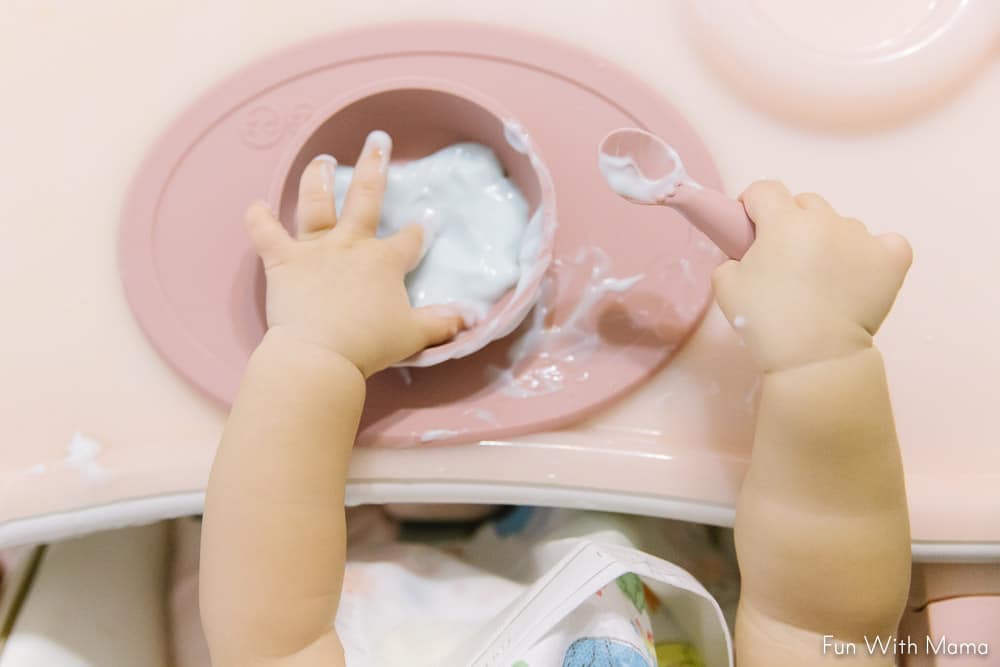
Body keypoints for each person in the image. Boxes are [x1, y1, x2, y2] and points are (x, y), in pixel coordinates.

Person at [200, 130, 913, 666]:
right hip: (694, 520)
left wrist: (312, 352)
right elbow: (824, 626)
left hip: (351, 546)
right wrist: (822, 357)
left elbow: (271, 634)